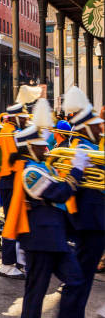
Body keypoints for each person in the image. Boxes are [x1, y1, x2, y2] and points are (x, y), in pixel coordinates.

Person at [4, 98, 88, 318]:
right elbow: (58, 193)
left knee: (77, 280)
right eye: (42, 145)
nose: (47, 147)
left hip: (56, 238)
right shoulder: (30, 172)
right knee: (35, 296)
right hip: (39, 241)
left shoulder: (44, 166)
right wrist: (77, 171)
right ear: (30, 148)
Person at [63, 86, 105, 316]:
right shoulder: (81, 148)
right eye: (97, 125)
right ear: (86, 128)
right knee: (81, 278)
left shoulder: (90, 146)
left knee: (82, 278)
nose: (101, 128)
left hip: (94, 220)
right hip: (89, 221)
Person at [0, 100, 31, 280]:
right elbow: (14, 157)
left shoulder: (10, 131)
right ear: (17, 118)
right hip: (9, 181)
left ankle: (17, 260)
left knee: (16, 222)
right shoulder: (10, 132)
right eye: (24, 118)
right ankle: (7, 264)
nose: (26, 121)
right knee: (10, 223)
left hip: (11, 181)